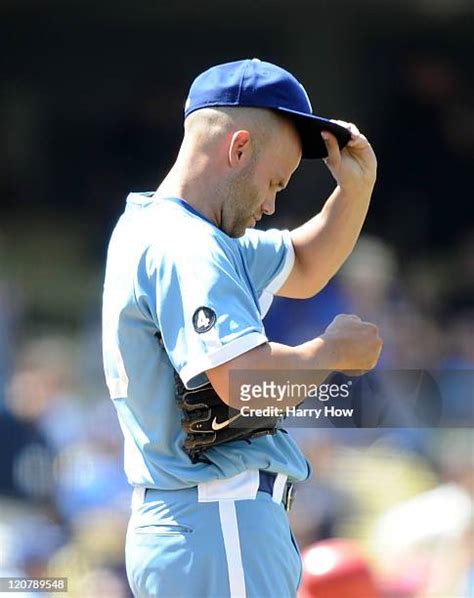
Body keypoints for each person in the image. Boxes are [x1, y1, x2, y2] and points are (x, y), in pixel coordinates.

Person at [102, 58, 382, 598]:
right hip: (217, 519)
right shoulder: (190, 246)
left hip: (200, 524)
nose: (273, 204)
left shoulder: (161, 229)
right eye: (274, 181)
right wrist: (331, 352)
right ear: (238, 148)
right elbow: (242, 383)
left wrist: (355, 191)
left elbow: (304, 264)